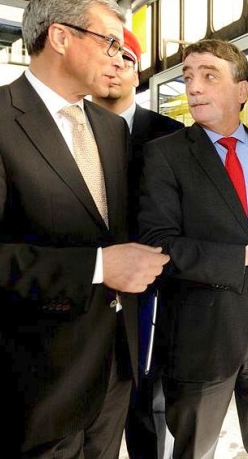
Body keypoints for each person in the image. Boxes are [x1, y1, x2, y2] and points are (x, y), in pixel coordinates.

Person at [0, 0, 170, 459]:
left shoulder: (107, 128)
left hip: (113, 371)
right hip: (34, 383)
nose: (120, 57)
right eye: (110, 42)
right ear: (60, 37)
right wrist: (99, 268)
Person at [139, 39, 248, 459]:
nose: (193, 87)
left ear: (241, 90)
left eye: (209, 75)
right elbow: (158, 245)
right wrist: (242, 257)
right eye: (188, 76)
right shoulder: (165, 156)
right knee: (195, 450)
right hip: (200, 337)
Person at [92, 27, 183, 459]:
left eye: (126, 59)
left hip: (151, 293)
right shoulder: (65, 130)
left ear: (138, 72)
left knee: (148, 405)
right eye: (106, 56)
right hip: (84, 286)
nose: (115, 67)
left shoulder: (170, 134)